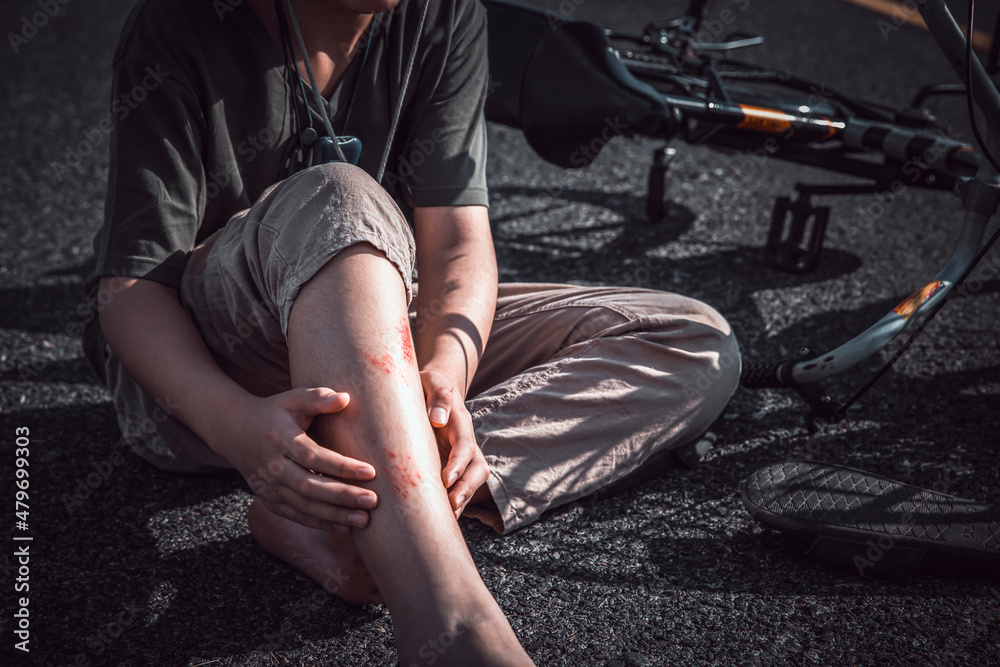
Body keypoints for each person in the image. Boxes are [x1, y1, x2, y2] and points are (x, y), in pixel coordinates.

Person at [83, 0, 740, 663]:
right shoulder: (179, 22)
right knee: (340, 194)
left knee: (692, 341)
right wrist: (238, 428)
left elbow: (456, 243)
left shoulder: (445, 14)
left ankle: (345, 518)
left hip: (377, 329)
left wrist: (447, 372)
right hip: (211, 371)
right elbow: (131, 293)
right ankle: (449, 624)